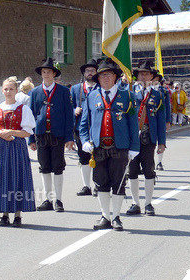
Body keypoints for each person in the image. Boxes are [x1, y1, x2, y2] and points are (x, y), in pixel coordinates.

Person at [78, 59, 140, 231]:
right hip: (98, 147)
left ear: (116, 77)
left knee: (118, 182)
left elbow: (133, 124)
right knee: (100, 182)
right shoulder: (91, 96)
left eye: (109, 74)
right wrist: (84, 141)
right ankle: (105, 216)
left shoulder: (127, 96)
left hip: (119, 146)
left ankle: (117, 217)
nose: (105, 78)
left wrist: (134, 147)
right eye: (102, 75)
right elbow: (84, 123)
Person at [0, 77, 37, 226]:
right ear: (2, 91)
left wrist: (11, 132)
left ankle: (17, 215)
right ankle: (4, 214)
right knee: (1, 178)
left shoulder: (23, 109)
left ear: (16, 90)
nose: (8, 92)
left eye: (11, 89)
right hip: (0, 147)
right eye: (6, 89)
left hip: (17, 146)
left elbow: (27, 132)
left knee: (17, 177)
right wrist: (2, 134)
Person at [28, 57, 75, 212]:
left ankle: (58, 200)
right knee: (44, 166)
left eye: (49, 72)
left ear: (54, 74)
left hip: (58, 135)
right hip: (41, 135)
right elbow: (31, 116)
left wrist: (69, 138)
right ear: (41, 74)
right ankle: (47, 199)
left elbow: (69, 116)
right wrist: (31, 138)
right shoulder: (35, 92)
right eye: (44, 72)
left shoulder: (63, 91)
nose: (46, 74)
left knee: (58, 166)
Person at [125, 60, 167, 216]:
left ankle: (148, 203)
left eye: (147, 74)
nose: (144, 76)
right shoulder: (129, 92)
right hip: (131, 137)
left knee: (149, 170)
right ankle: (135, 203)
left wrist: (161, 141)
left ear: (152, 77)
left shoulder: (158, 95)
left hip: (149, 137)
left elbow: (161, 120)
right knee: (132, 170)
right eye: (141, 73)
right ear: (137, 76)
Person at [71, 61, 98, 196]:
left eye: (92, 70)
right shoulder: (76, 89)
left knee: (99, 157)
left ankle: (98, 184)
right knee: (83, 157)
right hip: (80, 129)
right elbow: (68, 106)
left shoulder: (100, 88)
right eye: (87, 70)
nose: (90, 73)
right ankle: (86, 186)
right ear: (84, 73)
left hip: (98, 128)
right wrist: (73, 110)